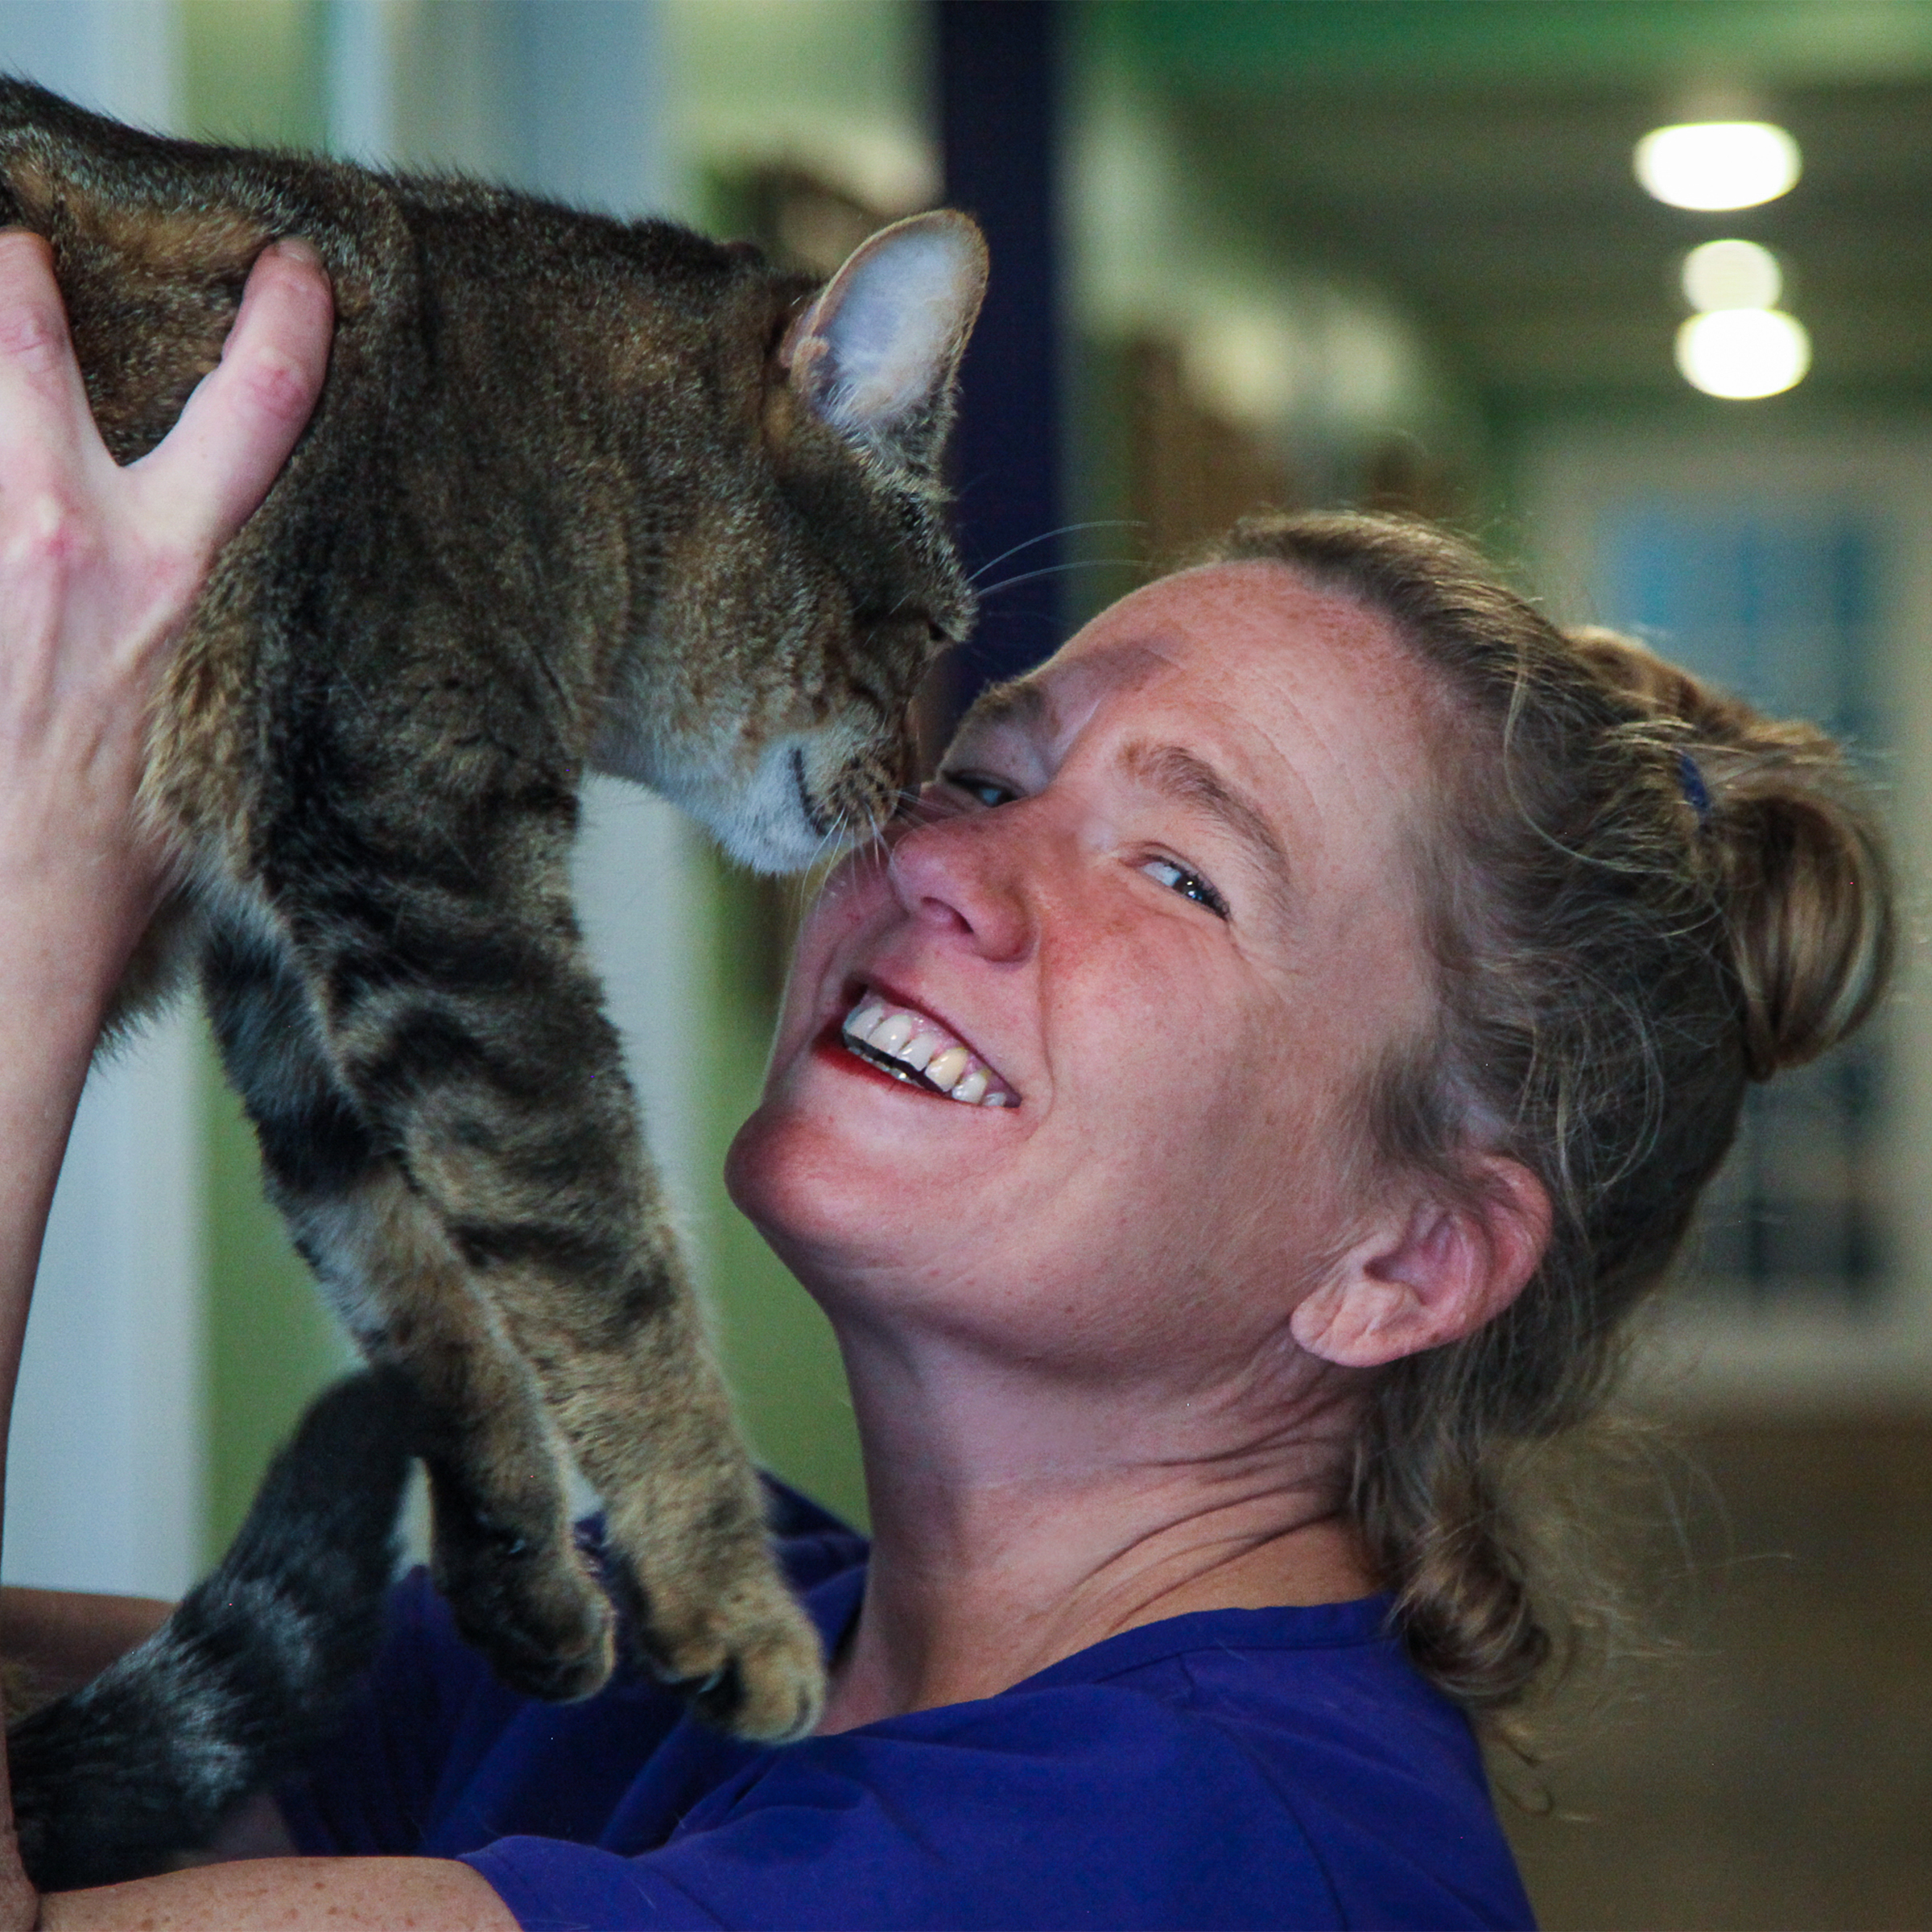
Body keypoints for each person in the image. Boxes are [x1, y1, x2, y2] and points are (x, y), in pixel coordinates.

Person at [0, 226, 1893, 1931]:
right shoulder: (705, 1639)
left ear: (1406, 1258)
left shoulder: (1189, 1860)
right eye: (986, 773)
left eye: (1179, 871)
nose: (939, 860)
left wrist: (48, 881)